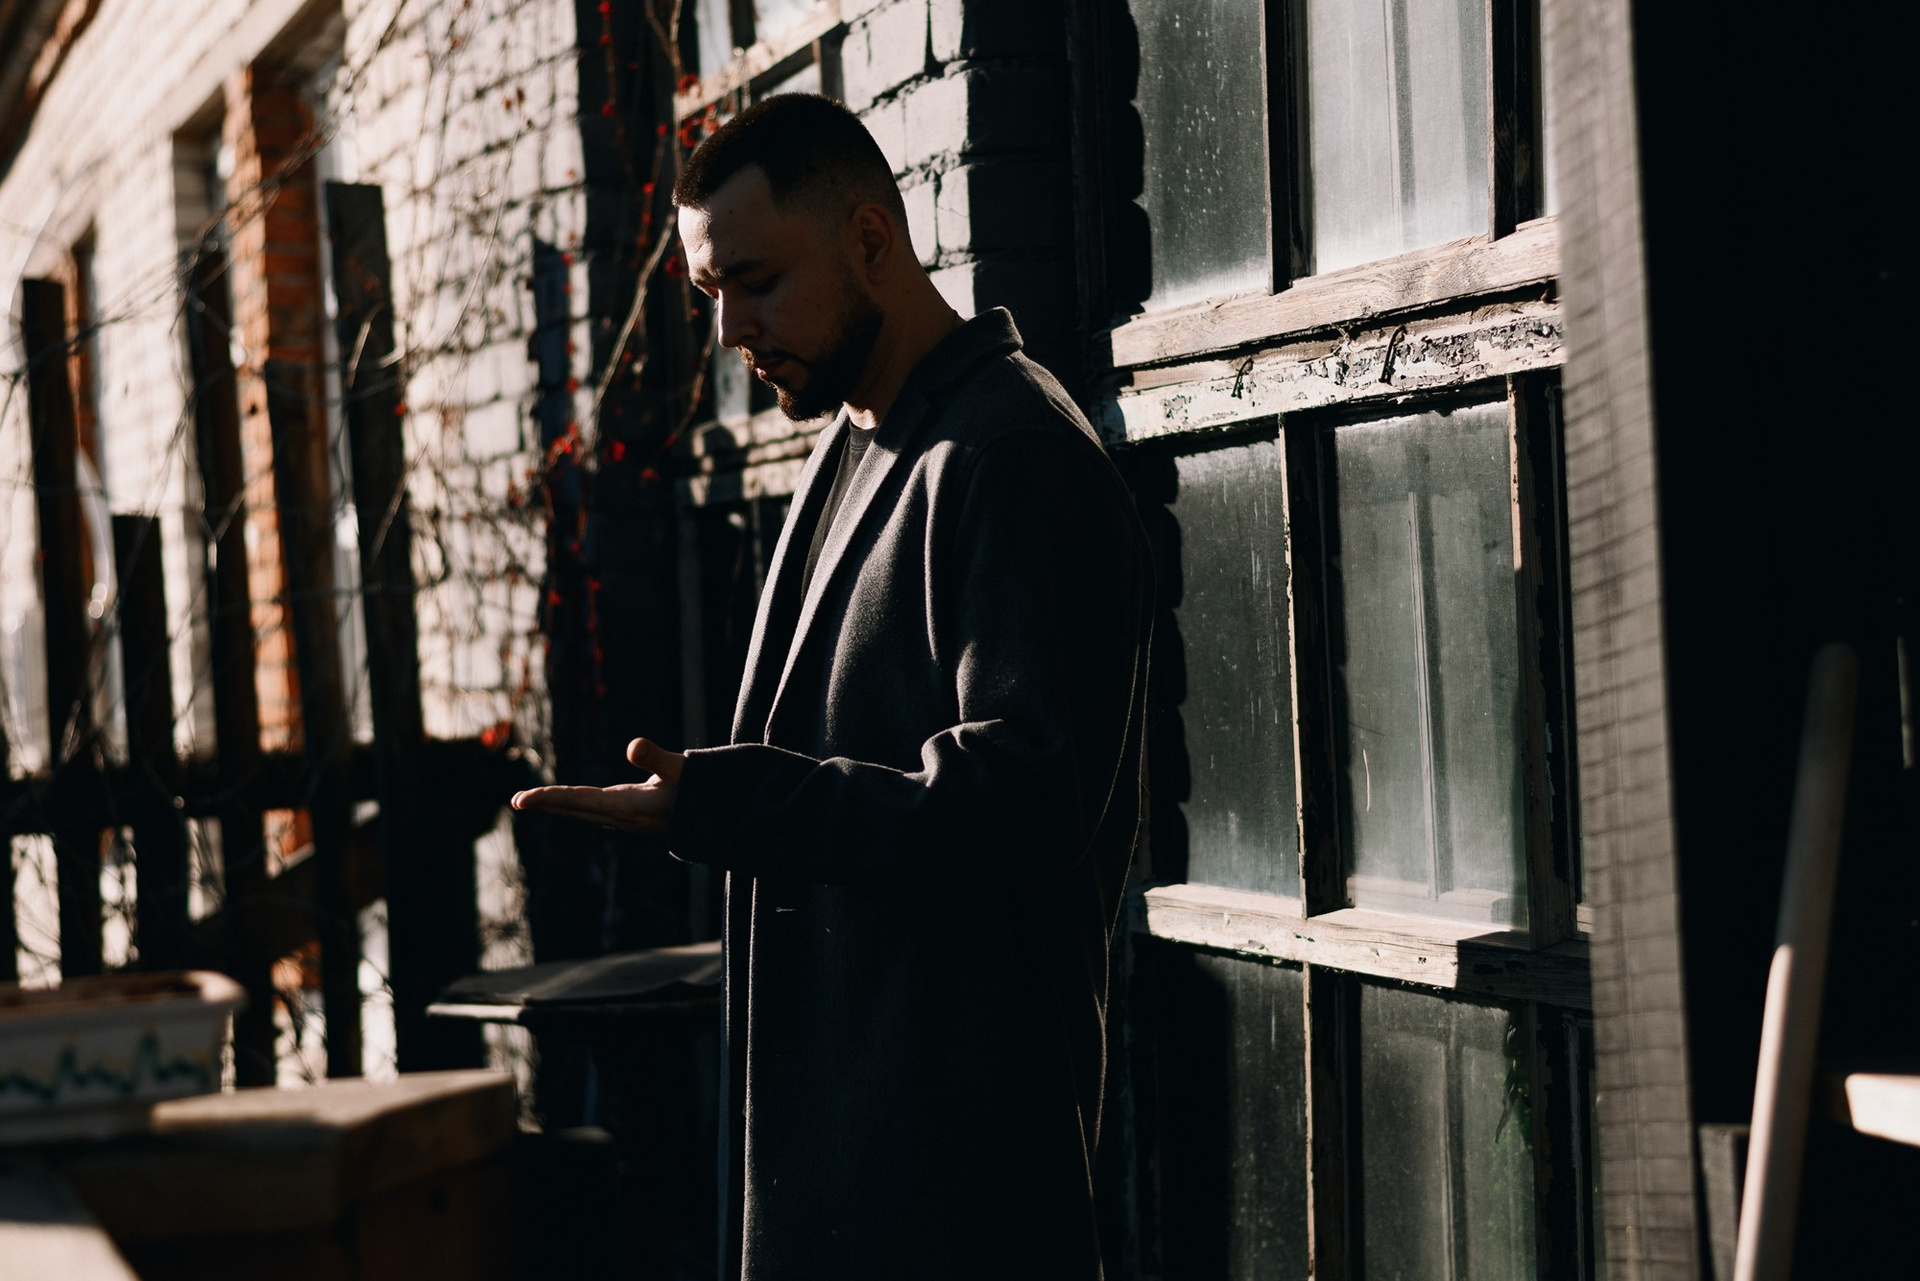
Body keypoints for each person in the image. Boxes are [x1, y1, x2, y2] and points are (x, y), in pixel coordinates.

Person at [512, 93, 1151, 1280]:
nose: (731, 330)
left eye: (757, 281)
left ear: (869, 239)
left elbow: (1023, 802)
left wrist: (728, 804)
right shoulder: (854, 444)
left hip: (954, 1199)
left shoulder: (1011, 454)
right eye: (713, 293)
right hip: (838, 1177)